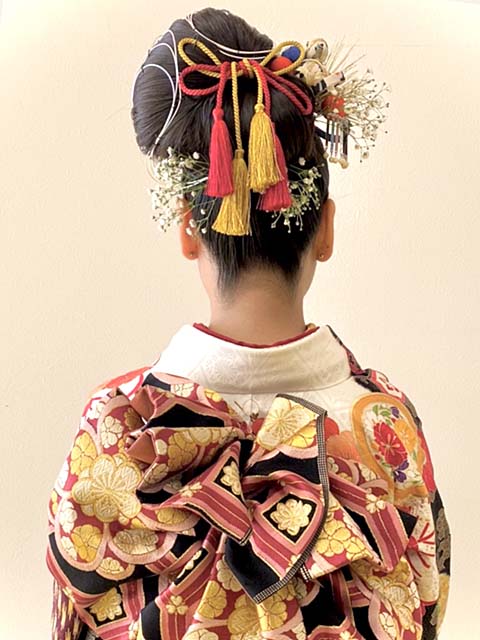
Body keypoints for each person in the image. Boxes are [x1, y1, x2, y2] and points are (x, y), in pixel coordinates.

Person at [46, 7, 451, 640]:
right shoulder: (384, 422)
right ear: (326, 230)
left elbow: (74, 611)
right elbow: (427, 603)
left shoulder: (119, 424)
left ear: (187, 229)